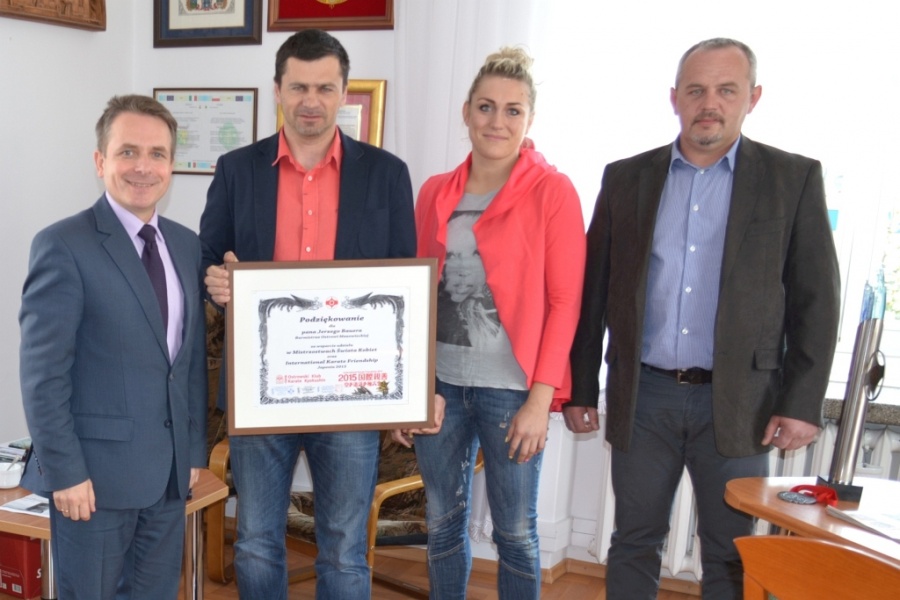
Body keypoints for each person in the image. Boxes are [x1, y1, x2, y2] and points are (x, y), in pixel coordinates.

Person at [565, 38, 841, 599]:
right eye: (695, 90)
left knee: (731, 552)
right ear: (675, 98)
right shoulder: (625, 178)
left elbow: (817, 299)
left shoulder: (792, 179)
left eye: (725, 90)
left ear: (752, 98)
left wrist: (801, 402)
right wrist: (580, 388)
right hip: (646, 396)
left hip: (740, 401)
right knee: (633, 540)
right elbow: (593, 291)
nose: (708, 103)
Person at [199, 29, 415, 599]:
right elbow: (206, 255)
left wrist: (405, 393)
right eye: (298, 87)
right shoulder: (236, 168)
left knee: (344, 547)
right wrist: (215, 279)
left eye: (324, 88)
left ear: (344, 91)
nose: (311, 101)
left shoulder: (387, 173)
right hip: (261, 390)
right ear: (278, 90)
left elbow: (405, 289)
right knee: (255, 541)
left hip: (349, 393)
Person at [392, 47, 586, 599]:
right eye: (485, 107)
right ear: (467, 112)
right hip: (441, 388)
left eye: (512, 110)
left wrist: (540, 402)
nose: (497, 121)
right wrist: (411, 390)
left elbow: (565, 302)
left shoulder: (552, 191)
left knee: (515, 532)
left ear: (529, 119)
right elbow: (415, 294)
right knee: (442, 523)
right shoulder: (435, 191)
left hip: (514, 391)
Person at [19, 94, 208, 599]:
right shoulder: (63, 245)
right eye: (128, 152)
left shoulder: (185, 244)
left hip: (169, 478)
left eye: (157, 153)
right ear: (100, 161)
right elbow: (43, 376)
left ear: (171, 165)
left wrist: (192, 450)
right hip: (93, 484)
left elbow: (186, 362)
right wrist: (65, 473)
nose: (143, 167)